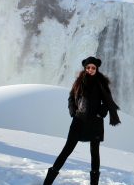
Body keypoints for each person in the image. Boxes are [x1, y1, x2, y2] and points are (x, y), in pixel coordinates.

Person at [43, 56, 121, 185]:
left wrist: (101, 114)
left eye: (93, 68)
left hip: (95, 123)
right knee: (67, 150)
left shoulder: (101, 83)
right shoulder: (78, 82)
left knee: (94, 153)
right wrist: (73, 112)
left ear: (96, 69)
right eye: (88, 67)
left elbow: (108, 101)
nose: (90, 70)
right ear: (85, 68)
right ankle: (48, 182)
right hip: (79, 121)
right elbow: (71, 99)